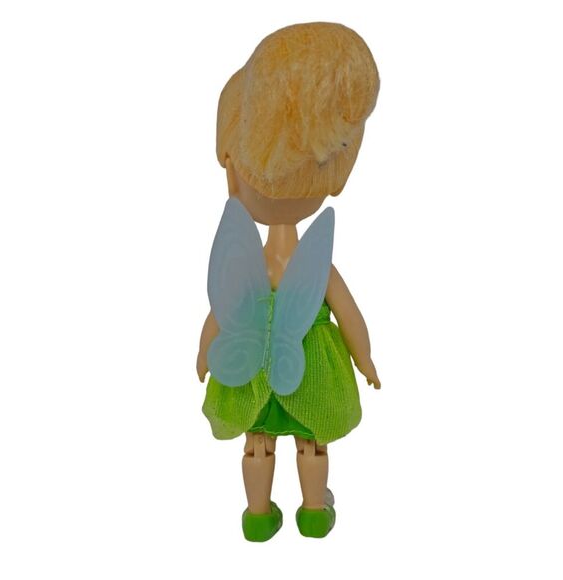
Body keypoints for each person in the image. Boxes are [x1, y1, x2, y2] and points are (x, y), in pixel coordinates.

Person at [196, 21, 381, 541]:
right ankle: (314, 512)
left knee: (257, 441)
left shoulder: (249, 262)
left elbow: (221, 309)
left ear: (231, 168)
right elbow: (348, 313)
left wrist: (205, 352)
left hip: (251, 360)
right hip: (309, 365)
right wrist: (364, 358)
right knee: (310, 440)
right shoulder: (314, 262)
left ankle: (258, 517)